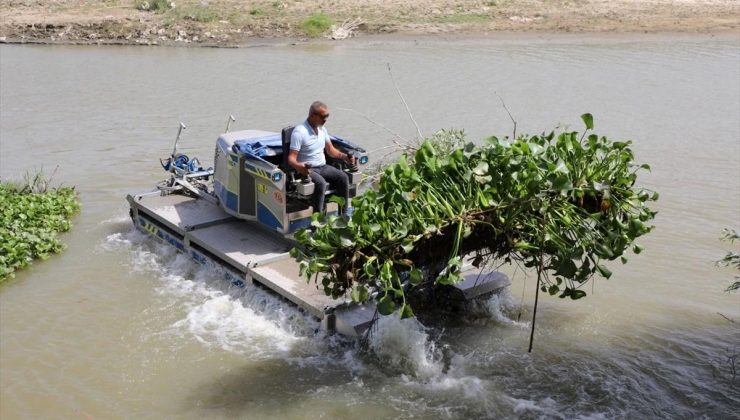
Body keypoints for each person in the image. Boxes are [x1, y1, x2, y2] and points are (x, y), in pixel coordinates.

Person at [287, 101, 356, 214]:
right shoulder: (300, 132)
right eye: (323, 117)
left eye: (327, 116)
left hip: (322, 167)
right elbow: (291, 159)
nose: (325, 120)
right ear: (312, 115)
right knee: (321, 183)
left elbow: (331, 150)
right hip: (308, 169)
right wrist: (300, 167)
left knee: (343, 177)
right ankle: (317, 219)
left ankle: (343, 214)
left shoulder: (322, 130)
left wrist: (344, 157)